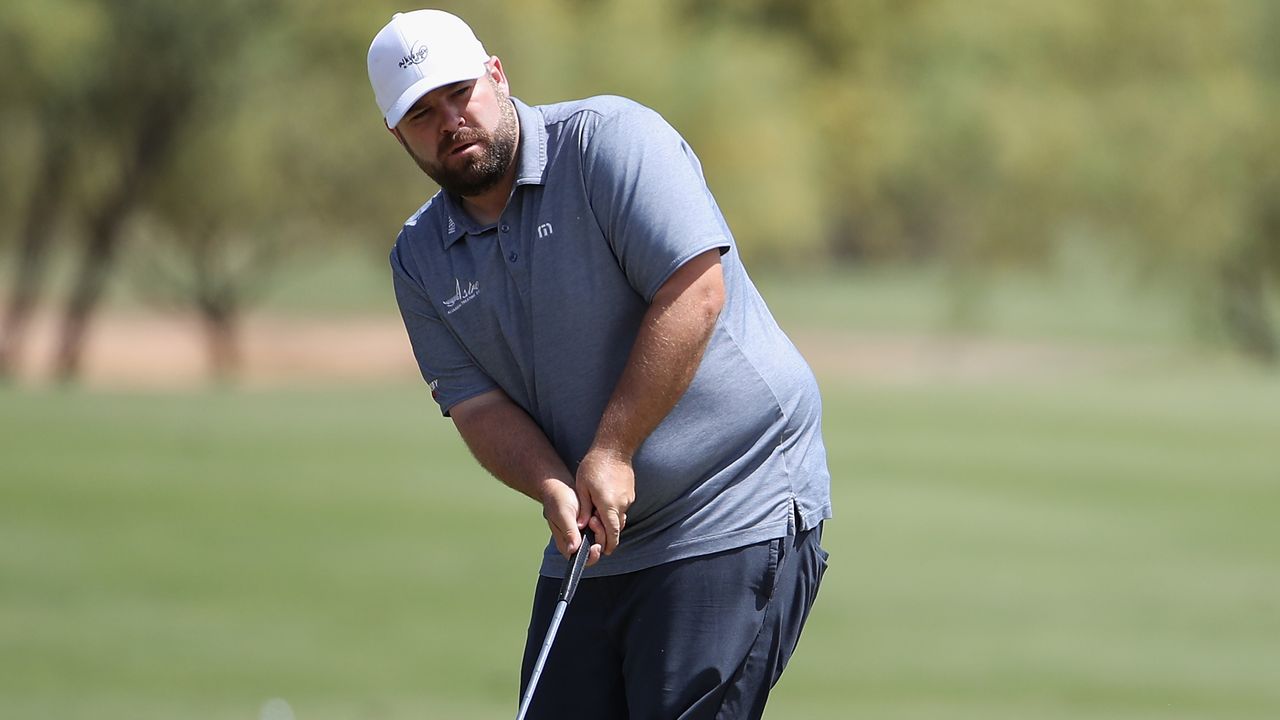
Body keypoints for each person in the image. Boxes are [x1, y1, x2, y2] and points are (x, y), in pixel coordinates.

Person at [367, 9, 832, 719]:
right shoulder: (419, 258)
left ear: (497, 75)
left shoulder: (609, 143)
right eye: (422, 113)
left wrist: (612, 449)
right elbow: (477, 404)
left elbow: (695, 290)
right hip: (595, 540)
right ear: (397, 134)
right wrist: (551, 484)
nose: (451, 120)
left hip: (733, 498)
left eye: (460, 92)